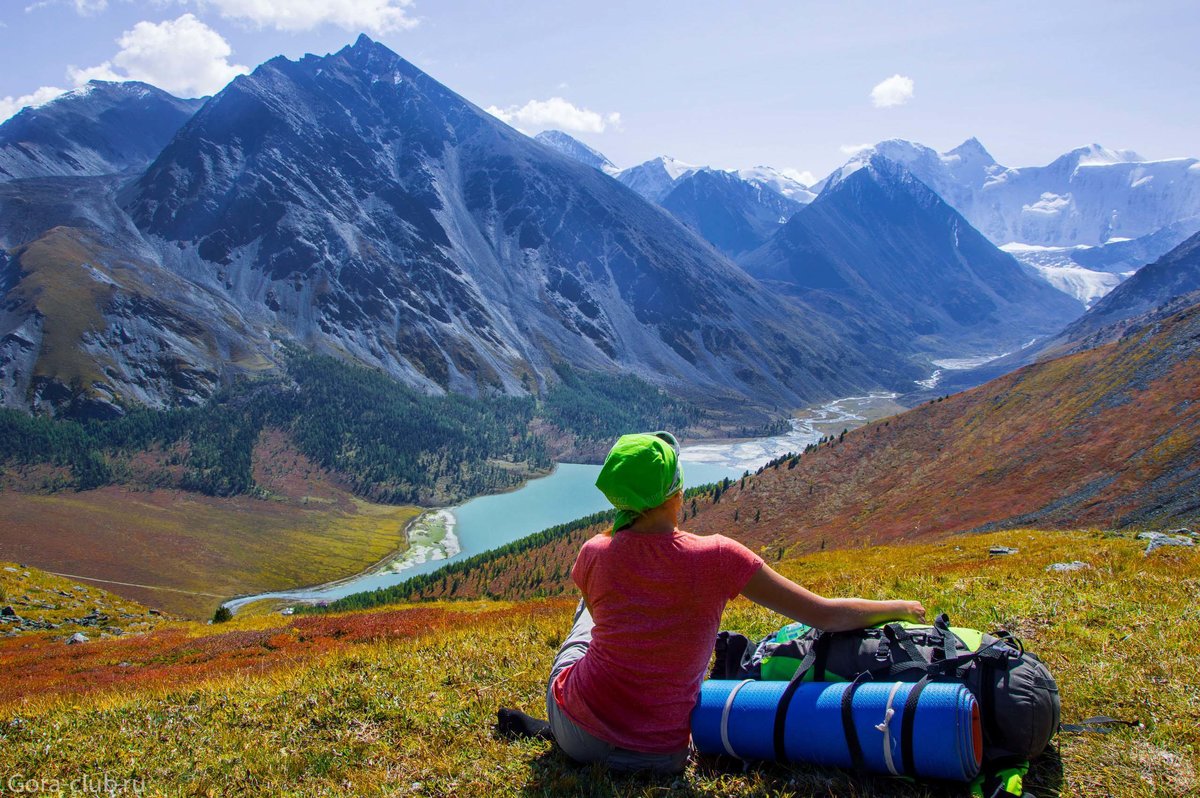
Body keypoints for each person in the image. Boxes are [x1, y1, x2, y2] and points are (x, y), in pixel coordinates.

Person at [544, 430, 926, 773]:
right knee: (592, 628)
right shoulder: (719, 557)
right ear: (677, 493)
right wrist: (897, 607)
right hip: (661, 755)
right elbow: (825, 615)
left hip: (578, 736)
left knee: (586, 625)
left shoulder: (595, 552)